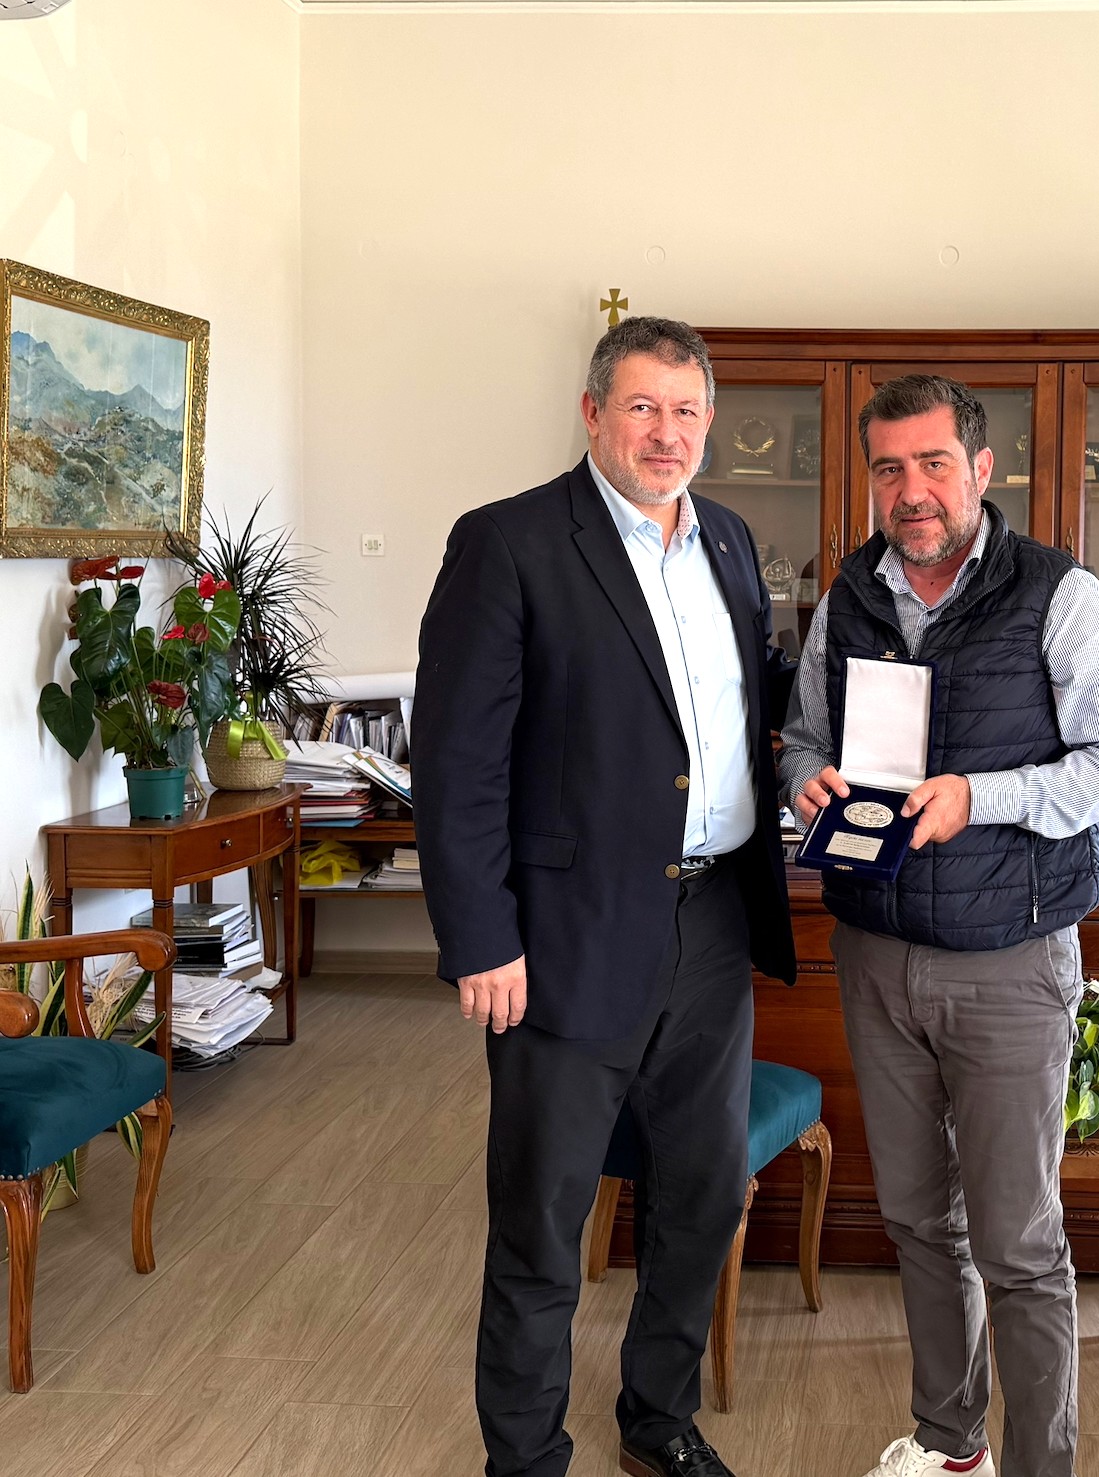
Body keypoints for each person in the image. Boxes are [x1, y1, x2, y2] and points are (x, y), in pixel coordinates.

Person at [411, 317, 796, 1477]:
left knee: (703, 1194)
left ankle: (657, 1419)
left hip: (713, 922)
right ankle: (526, 1457)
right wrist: (482, 936)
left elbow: (748, 714)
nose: (665, 433)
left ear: (709, 422)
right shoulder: (509, 543)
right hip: (565, 936)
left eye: (685, 411)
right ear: (593, 415)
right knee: (543, 1217)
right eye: (641, 408)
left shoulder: (732, 541)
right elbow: (458, 765)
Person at [779, 375, 1099, 1477]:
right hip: (875, 950)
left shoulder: (1060, 594)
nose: (912, 490)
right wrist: (805, 778)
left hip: (1010, 961)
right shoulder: (847, 596)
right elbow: (802, 735)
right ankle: (953, 1447)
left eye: (934, 463)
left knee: (1018, 1244)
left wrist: (979, 795)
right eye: (889, 468)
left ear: (982, 469)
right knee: (916, 1220)